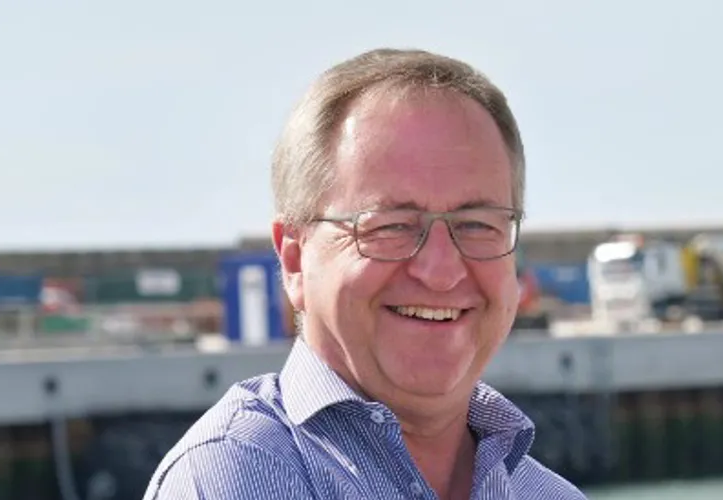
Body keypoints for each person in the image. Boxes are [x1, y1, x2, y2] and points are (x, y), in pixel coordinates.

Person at [144, 48, 584, 500]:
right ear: (295, 259)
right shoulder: (234, 477)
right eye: (390, 226)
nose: (441, 271)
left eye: (477, 225)